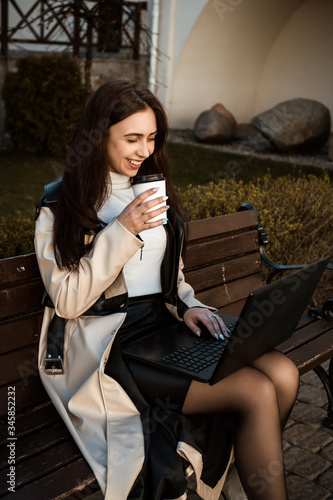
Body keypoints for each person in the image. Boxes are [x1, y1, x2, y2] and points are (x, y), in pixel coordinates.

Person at [35, 78, 299, 500]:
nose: (144, 150)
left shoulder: (152, 186)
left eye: (152, 138)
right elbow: (67, 301)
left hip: (162, 330)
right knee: (257, 391)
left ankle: (249, 468)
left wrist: (187, 305)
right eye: (132, 138)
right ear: (99, 135)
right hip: (110, 345)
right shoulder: (61, 206)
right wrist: (121, 230)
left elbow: (170, 276)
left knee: (283, 372)